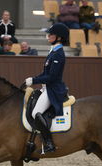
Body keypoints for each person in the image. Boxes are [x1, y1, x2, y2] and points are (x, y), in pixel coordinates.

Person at [24, 23, 69, 153]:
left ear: (59, 37)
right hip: (46, 88)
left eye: (51, 34)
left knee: (35, 113)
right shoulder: (53, 51)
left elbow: (52, 77)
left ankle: (49, 143)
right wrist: (34, 79)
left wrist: (34, 80)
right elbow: (45, 74)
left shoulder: (58, 54)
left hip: (53, 89)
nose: (48, 36)